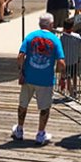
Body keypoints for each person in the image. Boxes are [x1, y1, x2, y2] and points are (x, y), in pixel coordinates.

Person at [12, 13, 65, 145]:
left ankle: (19, 129)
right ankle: (40, 133)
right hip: (46, 79)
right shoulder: (55, 39)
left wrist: (21, 72)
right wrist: (61, 76)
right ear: (51, 25)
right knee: (44, 108)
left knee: (23, 104)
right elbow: (61, 62)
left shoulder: (30, 36)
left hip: (29, 77)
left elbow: (20, 56)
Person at [58, 18, 81, 97]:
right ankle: (75, 89)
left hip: (66, 61)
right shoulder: (77, 36)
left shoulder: (62, 38)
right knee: (74, 75)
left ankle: (71, 92)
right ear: (72, 27)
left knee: (68, 77)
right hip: (74, 59)